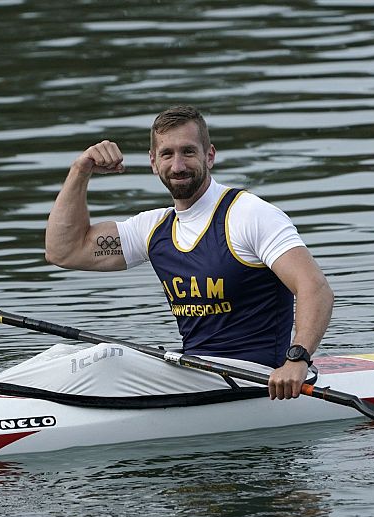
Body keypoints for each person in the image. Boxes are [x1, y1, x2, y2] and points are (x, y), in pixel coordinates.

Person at [45, 105, 333, 400]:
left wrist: (297, 360)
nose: (178, 165)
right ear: (153, 162)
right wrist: (80, 170)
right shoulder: (153, 229)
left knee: (108, 358)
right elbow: (64, 251)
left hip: (257, 376)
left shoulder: (249, 215)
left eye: (188, 152)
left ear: (209, 156)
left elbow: (314, 287)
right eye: (167, 154)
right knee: (61, 354)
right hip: (198, 371)